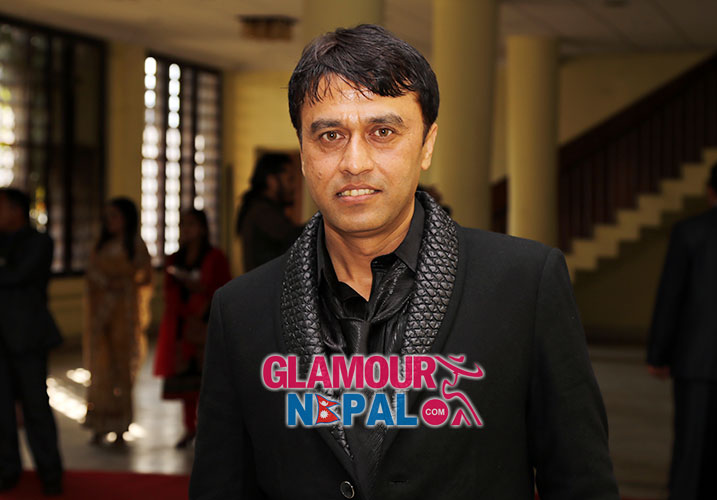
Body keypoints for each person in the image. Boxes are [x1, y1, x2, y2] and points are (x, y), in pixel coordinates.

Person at [190, 24, 619, 499]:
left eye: (383, 132)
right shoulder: (241, 310)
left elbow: (581, 482)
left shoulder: (523, 286)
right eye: (330, 135)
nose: (355, 162)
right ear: (304, 153)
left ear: (427, 144)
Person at [647, 157, 717, 500]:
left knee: (693, 449)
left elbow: (671, 295)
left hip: (698, 357)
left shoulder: (690, 230)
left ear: (710, 191)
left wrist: (658, 353)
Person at [0, 188, 63, 496]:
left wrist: (1, 269)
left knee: (35, 408)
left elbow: (16, 276)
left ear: (17, 211)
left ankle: (50, 473)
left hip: (27, 339)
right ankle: (7, 469)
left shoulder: (39, 242)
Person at [154, 209, 231, 449]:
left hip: (207, 324)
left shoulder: (215, 257)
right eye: (183, 225)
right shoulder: (174, 259)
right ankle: (190, 427)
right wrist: (186, 307)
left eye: (191, 225)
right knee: (186, 380)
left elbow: (224, 289)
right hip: (182, 325)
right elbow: (169, 292)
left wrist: (201, 298)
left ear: (202, 228)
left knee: (209, 381)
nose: (186, 230)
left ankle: (212, 429)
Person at [83, 197, 152, 445]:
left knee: (122, 369)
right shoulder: (100, 245)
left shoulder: (135, 245)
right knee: (101, 367)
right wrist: (106, 283)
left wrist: (123, 282)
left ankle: (121, 423)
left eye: (115, 216)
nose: (110, 221)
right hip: (101, 317)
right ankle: (99, 421)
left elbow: (145, 276)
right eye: (107, 216)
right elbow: (91, 273)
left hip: (125, 316)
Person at [235, 153, 302, 271]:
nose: (293, 186)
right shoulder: (261, 211)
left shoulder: (260, 208)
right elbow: (294, 238)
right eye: (289, 179)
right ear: (271, 181)